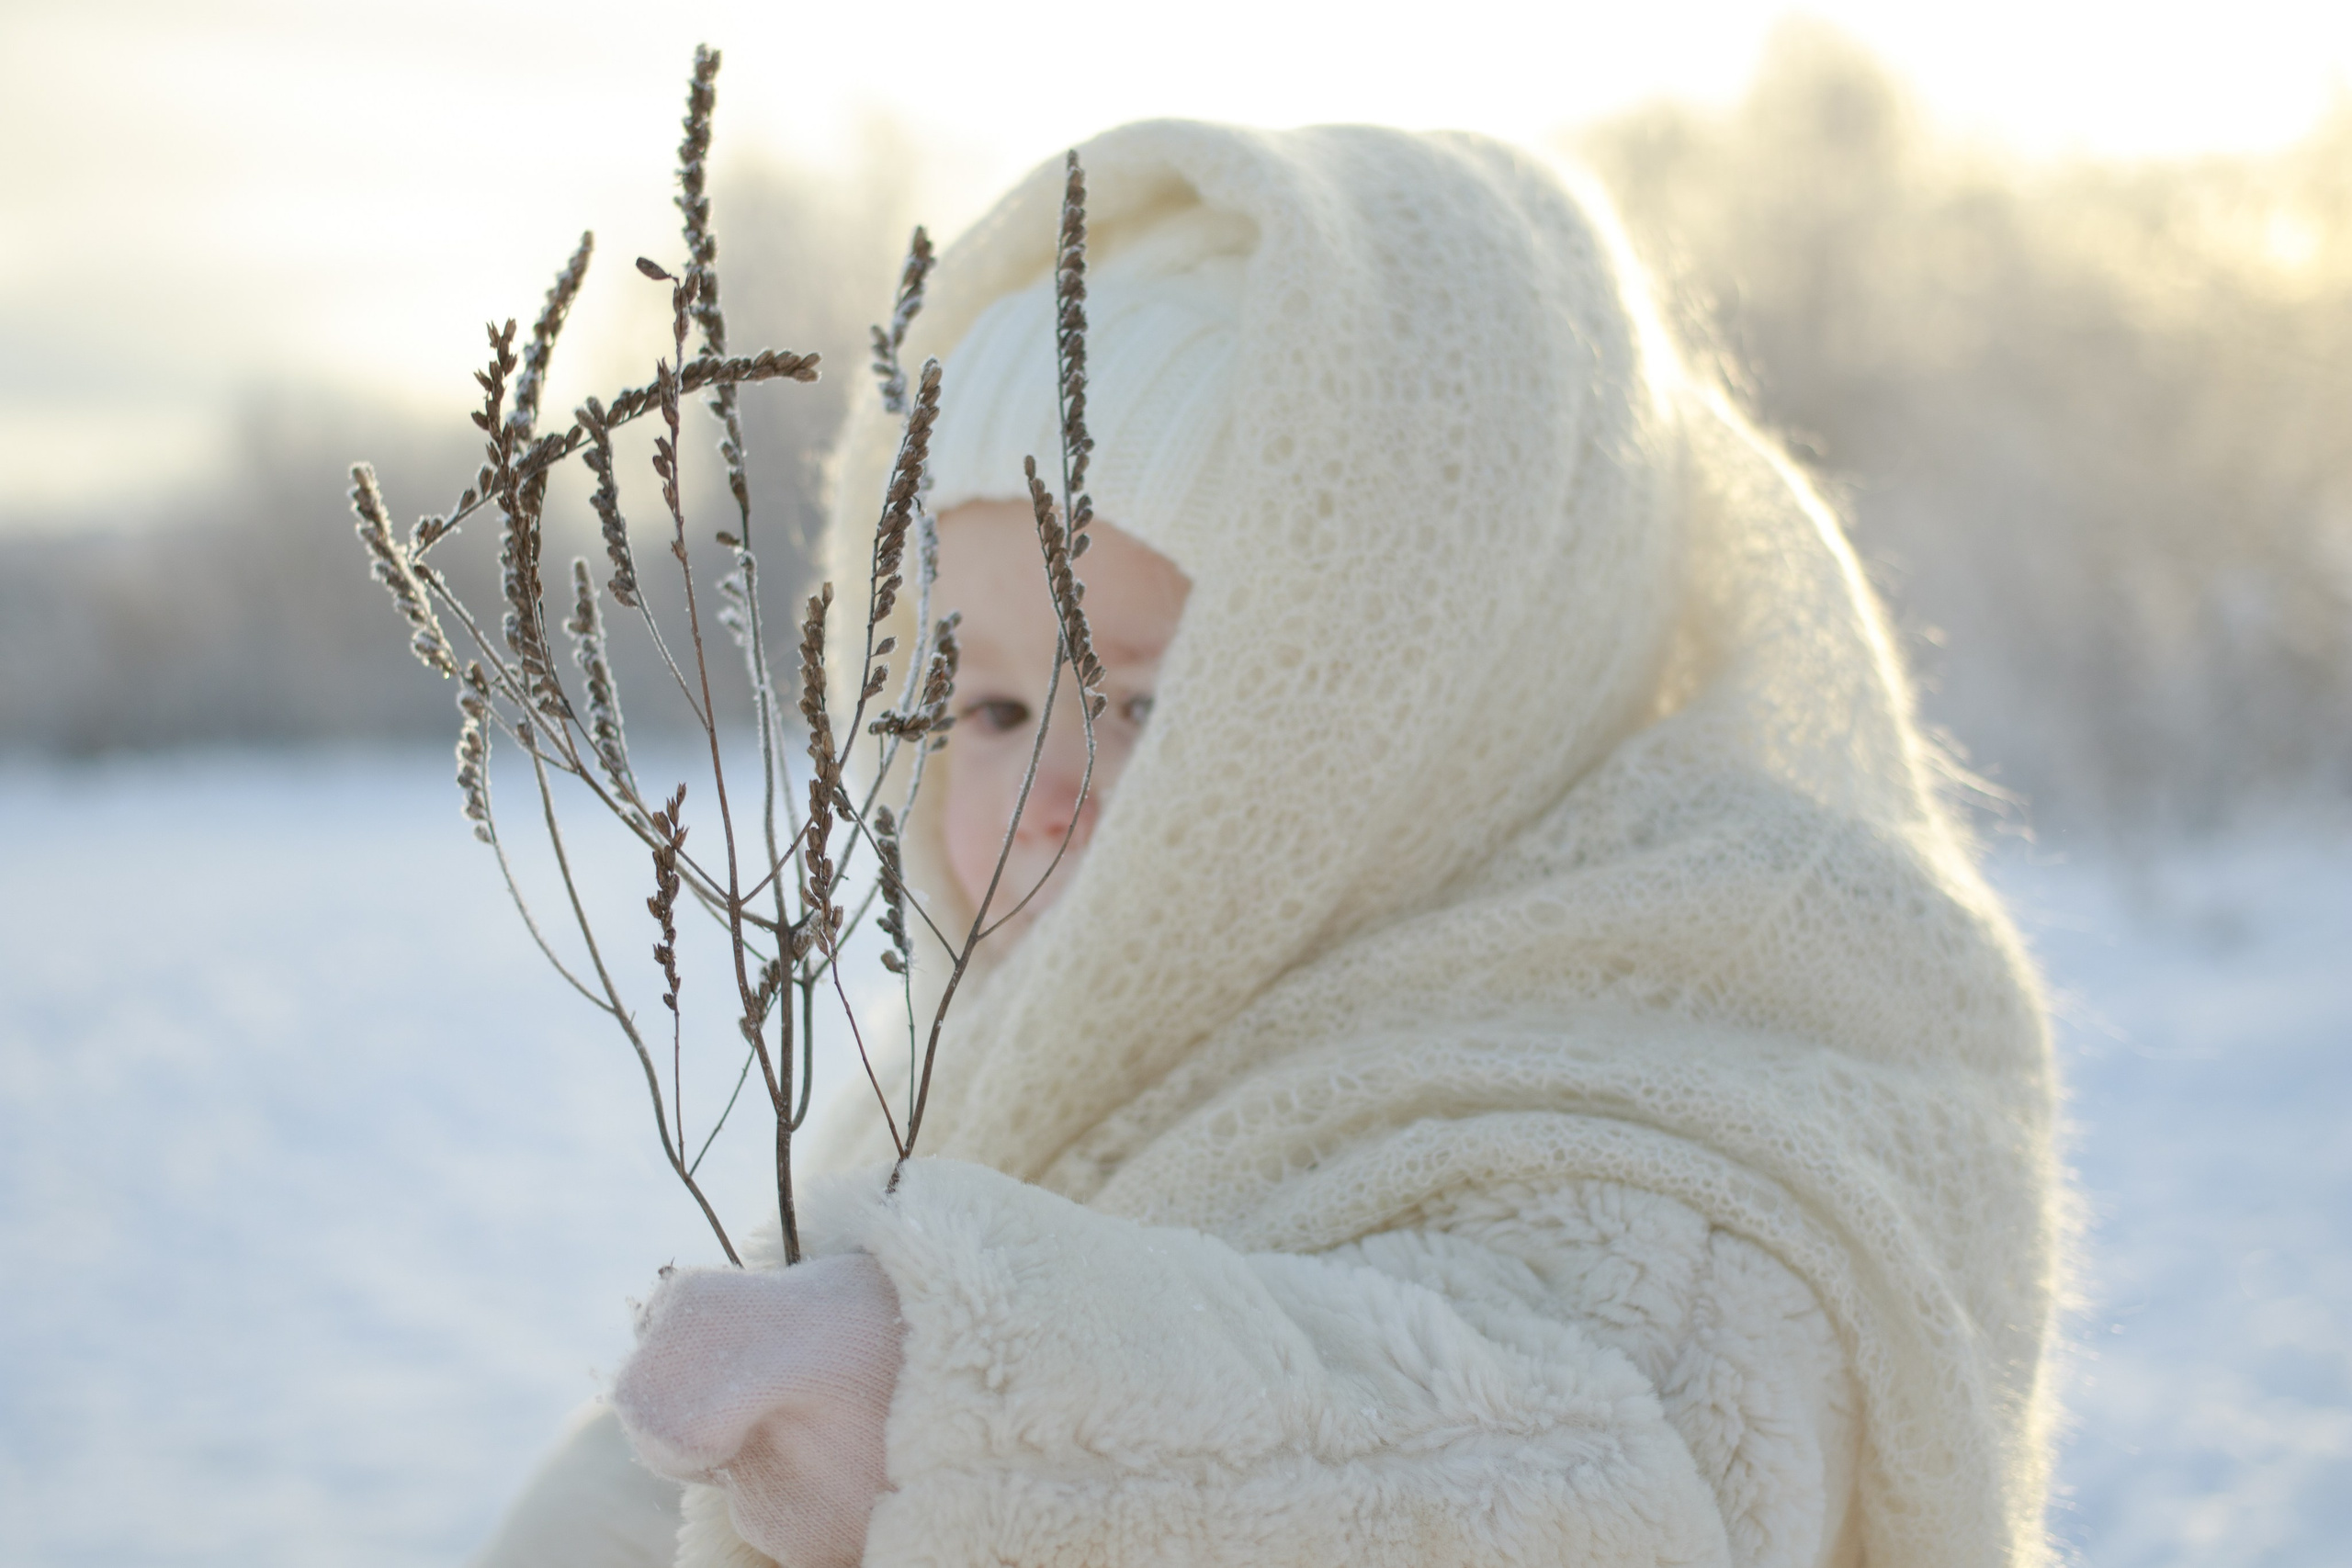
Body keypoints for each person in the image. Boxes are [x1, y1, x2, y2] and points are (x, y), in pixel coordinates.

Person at [474, 118, 2062, 1568]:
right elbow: (666, 1480)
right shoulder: (1010, 1065)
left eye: (1155, 706)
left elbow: (1596, 1473)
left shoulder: (1711, 1037)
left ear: (1416, 703)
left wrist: (948, 1414)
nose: (1048, 794)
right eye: (996, 710)